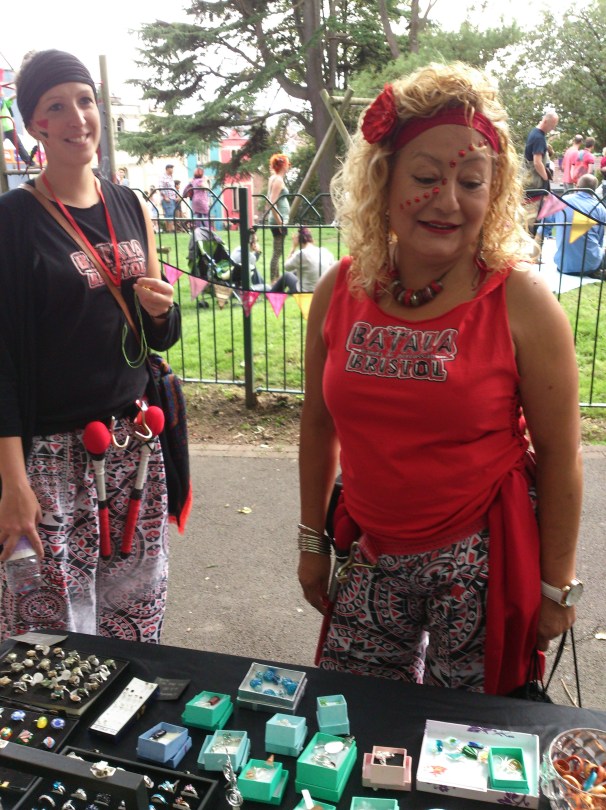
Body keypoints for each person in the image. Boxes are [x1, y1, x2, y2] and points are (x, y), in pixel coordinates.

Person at [298, 63, 582, 696]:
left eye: (472, 181)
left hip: (482, 563)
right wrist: (312, 540)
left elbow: (562, 457)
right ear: (384, 179)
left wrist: (555, 587)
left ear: (495, 191)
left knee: (470, 740)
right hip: (370, 553)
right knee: (355, 724)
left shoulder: (523, 302)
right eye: (426, 178)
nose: (449, 201)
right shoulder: (339, 289)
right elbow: (317, 424)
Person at [0, 49, 182, 642]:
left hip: (133, 445)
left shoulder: (129, 204)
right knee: (51, 632)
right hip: (50, 459)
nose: (77, 117)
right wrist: (13, 483)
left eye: (85, 100)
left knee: (136, 619)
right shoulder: (14, 220)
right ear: (35, 125)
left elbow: (158, 337)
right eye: (56, 106)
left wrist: (163, 312)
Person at [554, 174, 606, 279]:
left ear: (577, 187)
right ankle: (596, 270)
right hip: (590, 264)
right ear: (594, 190)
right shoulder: (600, 208)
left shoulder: (562, 200)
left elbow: (544, 225)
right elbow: (599, 239)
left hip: (563, 264)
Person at [522, 109, 558, 235]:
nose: (553, 129)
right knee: (530, 223)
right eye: (552, 125)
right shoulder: (538, 137)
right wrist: (546, 178)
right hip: (535, 186)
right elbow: (537, 162)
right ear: (545, 121)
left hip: (529, 183)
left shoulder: (535, 134)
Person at [270, 228, 335, 293]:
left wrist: (293, 247)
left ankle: (272, 292)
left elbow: (286, 267)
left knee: (287, 275)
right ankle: (284, 290)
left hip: (305, 291)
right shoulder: (325, 251)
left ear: (299, 241)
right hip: (321, 289)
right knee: (295, 272)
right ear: (312, 240)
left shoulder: (301, 254)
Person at [266, 153, 290, 282]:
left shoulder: (273, 178)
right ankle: (273, 281)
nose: (289, 166)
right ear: (283, 165)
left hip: (277, 220)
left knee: (278, 251)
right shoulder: (278, 180)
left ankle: (277, 279)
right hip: (278, 221)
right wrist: (280, 222)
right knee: (277, 252)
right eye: (288, 163)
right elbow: (271, 202)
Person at [1, 89, 36, 167]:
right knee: (18, 146)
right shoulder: (3, 101)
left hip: (8, 127)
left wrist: (18, 91)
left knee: (19, 146)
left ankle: (30, 163)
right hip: (5, 128)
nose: (2, 92)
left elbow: (11, 97)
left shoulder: (4, 101)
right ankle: (30, 163)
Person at [159, 163, 177, 233]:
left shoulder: (171, 177)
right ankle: (170, 229)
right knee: (169, 213)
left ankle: (171, 229)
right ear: (167, 169)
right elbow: (160, 187)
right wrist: (165, 197)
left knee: (172, 213)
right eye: (171, 168)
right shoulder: (163, 177)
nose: (172, 170)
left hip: (172, 198)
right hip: (167, 198)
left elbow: (173, 188)